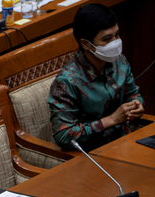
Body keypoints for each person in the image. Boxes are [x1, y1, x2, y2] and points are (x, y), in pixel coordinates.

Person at [48, 3, 144, 152]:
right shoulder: (67, 82)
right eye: (107, 39)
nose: (115, 43)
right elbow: (63, 135)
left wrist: (136, 105)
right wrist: (111, 120)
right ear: (86, 44)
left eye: (117, 35)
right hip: (92, 154)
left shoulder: (119, 61)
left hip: (126, 142)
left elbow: (132, 94)